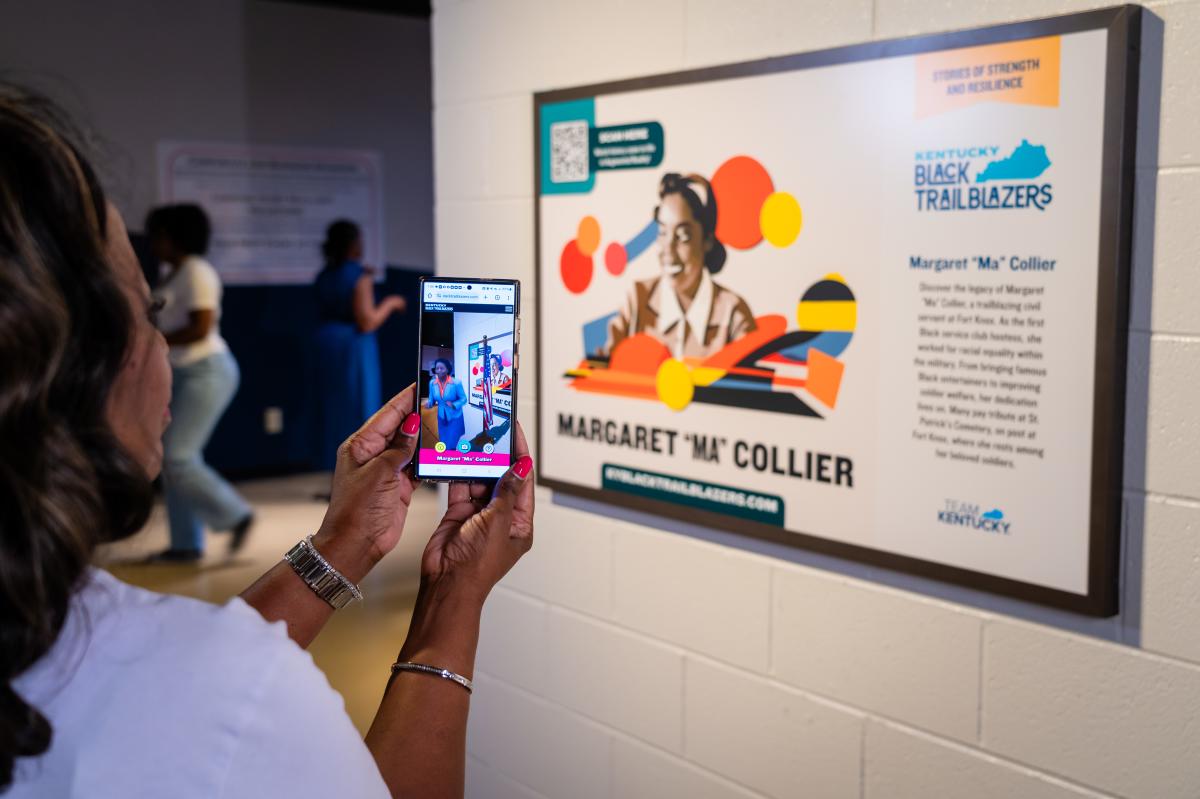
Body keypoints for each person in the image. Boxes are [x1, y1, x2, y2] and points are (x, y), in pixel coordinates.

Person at [0, 85, 535, 798]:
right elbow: (204, 686)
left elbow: (179, 677)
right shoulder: (238, 697)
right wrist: (454, 600)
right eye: (147, 310)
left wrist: (340, 544)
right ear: (75, 365)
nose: (161, 338)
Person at [146, 203, 253, 561]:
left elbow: (200, 327)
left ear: (173, 236)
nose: (152, 241)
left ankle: (236, 515)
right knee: (174, 458)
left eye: (157, 234)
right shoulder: (172, 273)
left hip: (207, 371)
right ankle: (185, 544)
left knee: (178, 456)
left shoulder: (197, 272)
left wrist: (155, 340)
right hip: (183, 373)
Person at [603, 172, 757, 360]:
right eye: (662, 232)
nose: (668, 249)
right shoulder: (636, 301)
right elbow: (602, 373)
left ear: (707, 240)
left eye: (683, 236)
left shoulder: (734, 314)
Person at [314, 220, 406, 470]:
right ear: (354, 244)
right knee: (360, 411)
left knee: (335, 411)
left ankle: (335, 475)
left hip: (327, 343)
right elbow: (367, 321)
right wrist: (391, 303)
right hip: (353, 348)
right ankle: (358, 473)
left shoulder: (325, 274)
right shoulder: (359, 276)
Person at [426, 358, 466, 449]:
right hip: (441, 416)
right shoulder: (432, 383)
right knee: (443, 441)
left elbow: (464, 399)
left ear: (447, 369)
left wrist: (454, 405)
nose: (439, 370)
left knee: (452, 443)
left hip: (455, 416)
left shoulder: (456, 383)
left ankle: (452, 458)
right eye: (437, 368)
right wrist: (429, 403)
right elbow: (431, 399)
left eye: (442, 368)